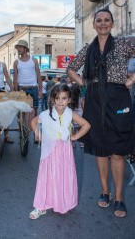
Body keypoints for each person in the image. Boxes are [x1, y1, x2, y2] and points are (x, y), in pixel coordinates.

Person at [67, 8, 135, 218]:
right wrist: (85, 83)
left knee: (117, 150)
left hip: (118, 97)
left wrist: (131, 81)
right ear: (94, 24)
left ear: (112, 24)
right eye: (99, 20)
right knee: (100, 149)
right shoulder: (88, 49)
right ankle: (105, 191)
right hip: (95, 100)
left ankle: (119, 197)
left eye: (107, 20)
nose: (103, 23)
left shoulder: (124, 45)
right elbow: (70, 69)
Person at [29, 84, 90, 219]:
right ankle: (40, 205)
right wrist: (38, 134)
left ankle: (62, 203)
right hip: (49, 152)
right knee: (47, 177)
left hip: (65, 152)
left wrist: (74, 137)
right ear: (52, 99)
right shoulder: (45, 114)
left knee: (63, 176)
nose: (60, 101)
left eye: (64, 98)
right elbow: (33, 122)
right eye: (57, 98)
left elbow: (86, 125)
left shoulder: (71, 113)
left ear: (69, 100)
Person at [13, 40, 42, 118]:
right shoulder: (16, 62)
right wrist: (15, 91)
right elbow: (15, 79)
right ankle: (22, 130)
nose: (18, 49)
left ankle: (33, 128)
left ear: (25, 49)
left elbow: (39, 76)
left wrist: (40, 91)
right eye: (17, 48)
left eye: (20, 47)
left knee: (34, 111)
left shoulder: (34, 60)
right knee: (21, 112)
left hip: (33, 89)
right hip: (21, 89)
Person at [70, 83, 84, 148]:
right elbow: (83, 107)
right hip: (80, 116)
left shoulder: (70, 99)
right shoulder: (81, 98)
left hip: (73, 116)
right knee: (81, 129)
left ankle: (73, 142)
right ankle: (81, 143)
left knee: (73, 130)